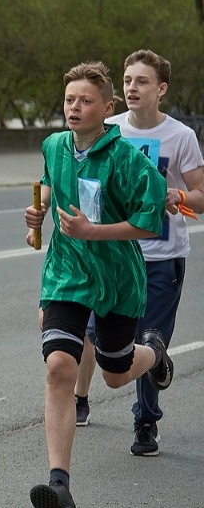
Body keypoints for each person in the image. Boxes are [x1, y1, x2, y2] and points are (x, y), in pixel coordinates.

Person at [23, 60, 172, 508]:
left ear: (107, 108)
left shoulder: (128, 159)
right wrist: (37, 213)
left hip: (117, 277)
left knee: (115, 372)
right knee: (58, 367)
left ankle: (154, 352)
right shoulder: (54, 145)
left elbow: (150, 222)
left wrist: (95, 231)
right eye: (69, 99)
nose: (74, 107)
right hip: (66, 272)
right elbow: (47, 184)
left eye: (85, 100)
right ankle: (59, 484)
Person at [72, 50, 204, 457]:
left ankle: (146, 421)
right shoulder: (109, 128)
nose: (132, 87)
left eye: (142, 81)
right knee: (90, 331)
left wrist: (178, 195)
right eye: (128, 80)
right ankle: (80, 398)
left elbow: (201, 197)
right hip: (109, 254)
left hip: (161, 256)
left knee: (148, 341)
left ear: (161, 89)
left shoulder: (180, 136)